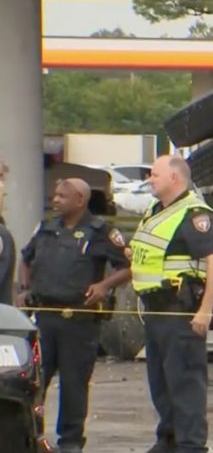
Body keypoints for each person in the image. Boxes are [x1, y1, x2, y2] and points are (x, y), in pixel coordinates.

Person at [14, 178, 131, 453]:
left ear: (80, 199)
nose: (55, 200)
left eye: (61, 196)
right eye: (55, 195)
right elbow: (26, 259)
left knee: (74, 384)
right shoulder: (46, 228)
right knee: (35, 382)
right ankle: (34, 435)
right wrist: (24, 289)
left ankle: (71, 441)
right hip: (44, 317)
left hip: (77, 320)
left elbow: (126, 266)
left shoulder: (101, 231)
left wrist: (104, 286)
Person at [128, 155, 213, 453]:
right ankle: (167, 441)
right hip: (156, 312)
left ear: (174, 178)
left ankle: (190, 446)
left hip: (180, 312)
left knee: (185, 387)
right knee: (162, 385)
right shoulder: (156, 211)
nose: (149, 179)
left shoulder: (194, 214)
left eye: (154, 174)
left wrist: (205, 311)